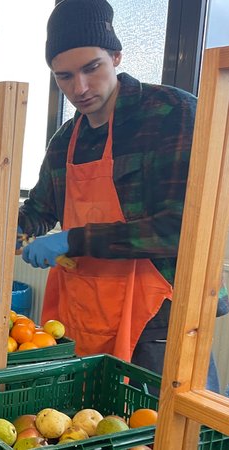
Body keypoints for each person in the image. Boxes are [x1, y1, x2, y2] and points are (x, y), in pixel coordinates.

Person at [18, 0, 228, 392]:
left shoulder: (173, 114)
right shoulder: (66, 139)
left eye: (91, 68)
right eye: (64, 76)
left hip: (159, 314)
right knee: (96, 420)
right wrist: (15, 229)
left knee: (170, 425)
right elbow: (41, 208)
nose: (78, 88)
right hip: (87, 307)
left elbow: (181, 228)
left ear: (115, 56)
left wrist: (73, 239)